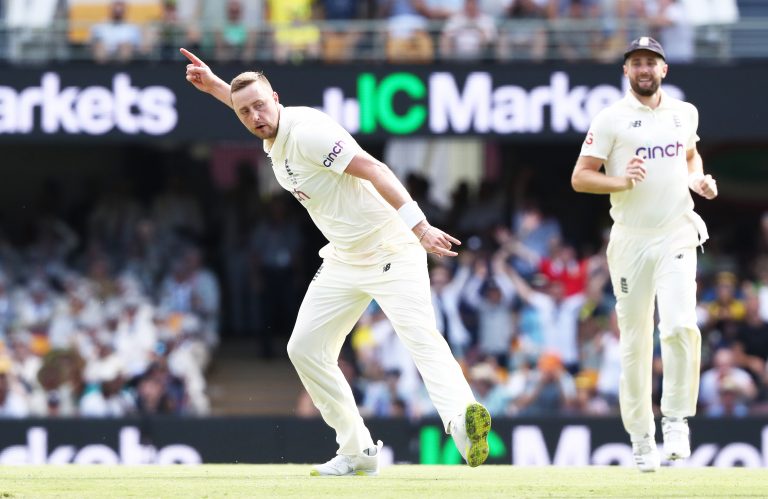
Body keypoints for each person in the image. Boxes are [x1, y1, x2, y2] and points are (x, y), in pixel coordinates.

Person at [180, 47, 491, 476]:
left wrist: (419, 227)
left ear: (277, 98)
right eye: (245, 111)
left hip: (391, 249)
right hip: (345, 258)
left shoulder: (308, 132)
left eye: (260, 105)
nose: (254, 116)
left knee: (420, 336)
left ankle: (462, 422)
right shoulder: (270, 131)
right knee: (304, 348)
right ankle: (357, 451)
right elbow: (245, 103)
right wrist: (214, 84)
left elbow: (376, 169)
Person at [571, 36, 718, 472]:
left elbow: (691, 156)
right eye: (636, 63)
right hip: (631, 239)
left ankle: (675, 419)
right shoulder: (611, 119)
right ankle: (640, 436)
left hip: (676, 232)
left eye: (651, 63)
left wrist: (698, 179)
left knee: (679, 325)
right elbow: (581, 177)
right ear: (626, 71)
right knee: (635, 341)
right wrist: (621, 181)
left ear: (664, 70)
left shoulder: (683, 113)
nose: (644, 69)